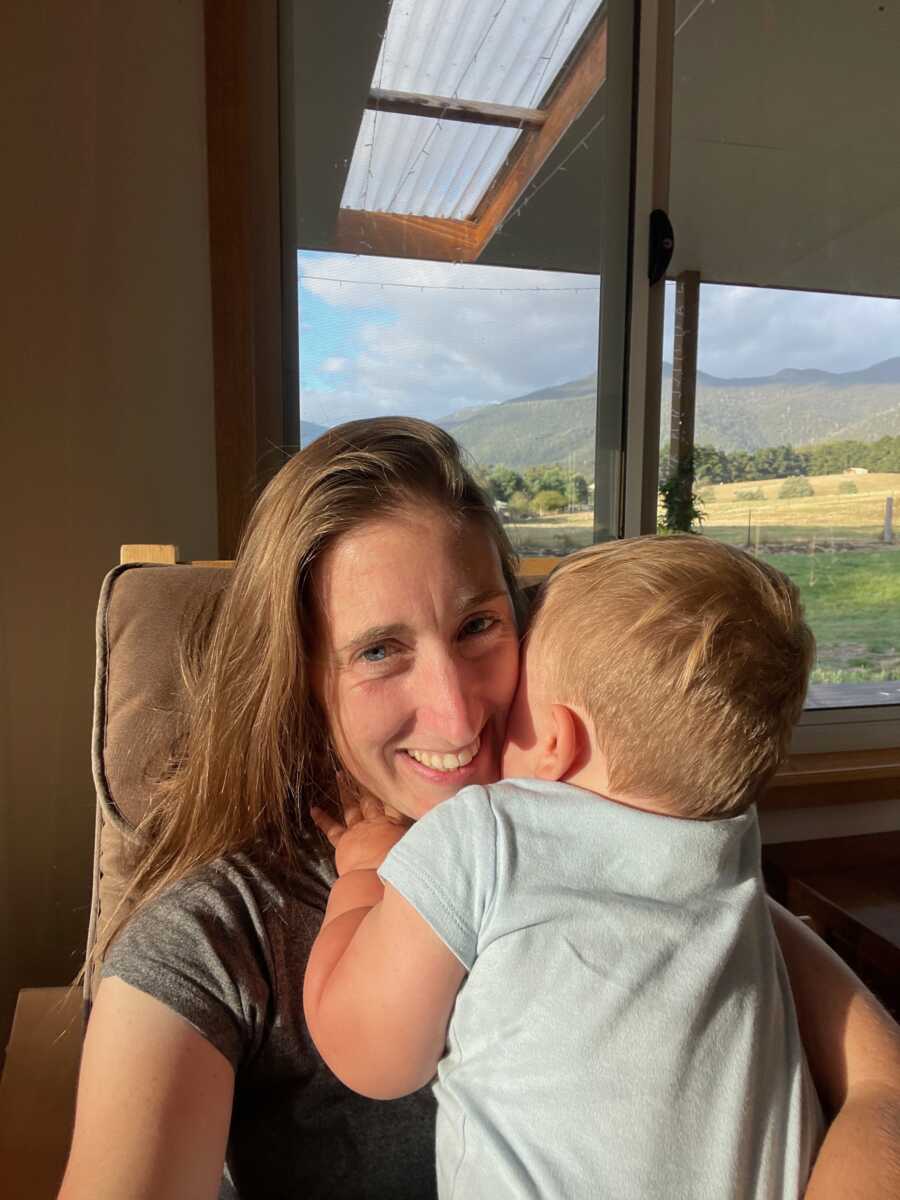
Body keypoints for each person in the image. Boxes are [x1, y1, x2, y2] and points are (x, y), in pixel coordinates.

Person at [58, 418, 900, 1200]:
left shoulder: (668, 861)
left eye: (478, 626)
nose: (458, 714)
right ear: (299, 681)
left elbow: (886, 1086)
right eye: (379, 651)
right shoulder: (217, 935)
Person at [304, 536, 824, 1198]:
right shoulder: (731, 843)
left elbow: (370, 1055)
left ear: (556, 741)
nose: (467, 720)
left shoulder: (491, 831)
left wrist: (364, 871)